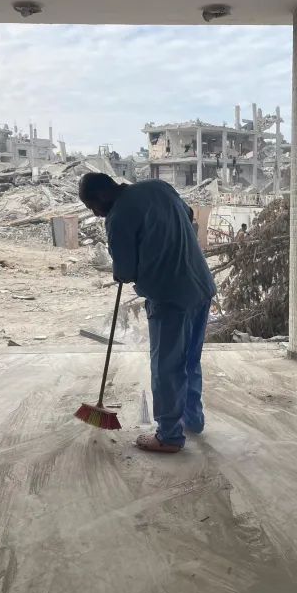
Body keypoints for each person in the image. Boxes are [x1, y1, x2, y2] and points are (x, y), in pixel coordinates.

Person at [78, 173, 216, 453]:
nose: (95, 213)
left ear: (103, 195)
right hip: (200, 286)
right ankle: (193, 419)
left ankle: (168, 436)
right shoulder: (158, 186)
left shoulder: (117, 217)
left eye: (92, 206)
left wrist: (125, 268)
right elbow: (188, 214)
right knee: (189, 360)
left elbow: (125, 271)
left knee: (166, 368)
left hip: (169, 296)